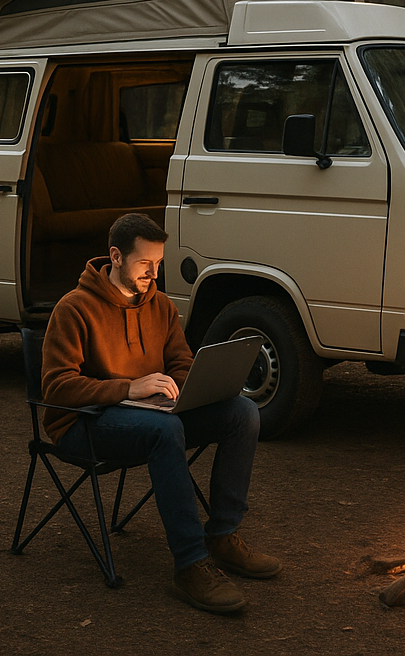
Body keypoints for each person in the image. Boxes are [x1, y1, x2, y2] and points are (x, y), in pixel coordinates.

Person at [40, 212, 281, 614]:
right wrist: (128, 388)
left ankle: (222, 536)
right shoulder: (74, 308)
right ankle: (190, 565)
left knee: (242, 412)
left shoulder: (162, 307)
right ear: (116, 257)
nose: (154, 274)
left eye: (159, 265)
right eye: (145, 264)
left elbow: (182, 363)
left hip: (153, 413)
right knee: (165, 431)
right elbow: (58, 388)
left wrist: (187, 388)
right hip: (84, 423)